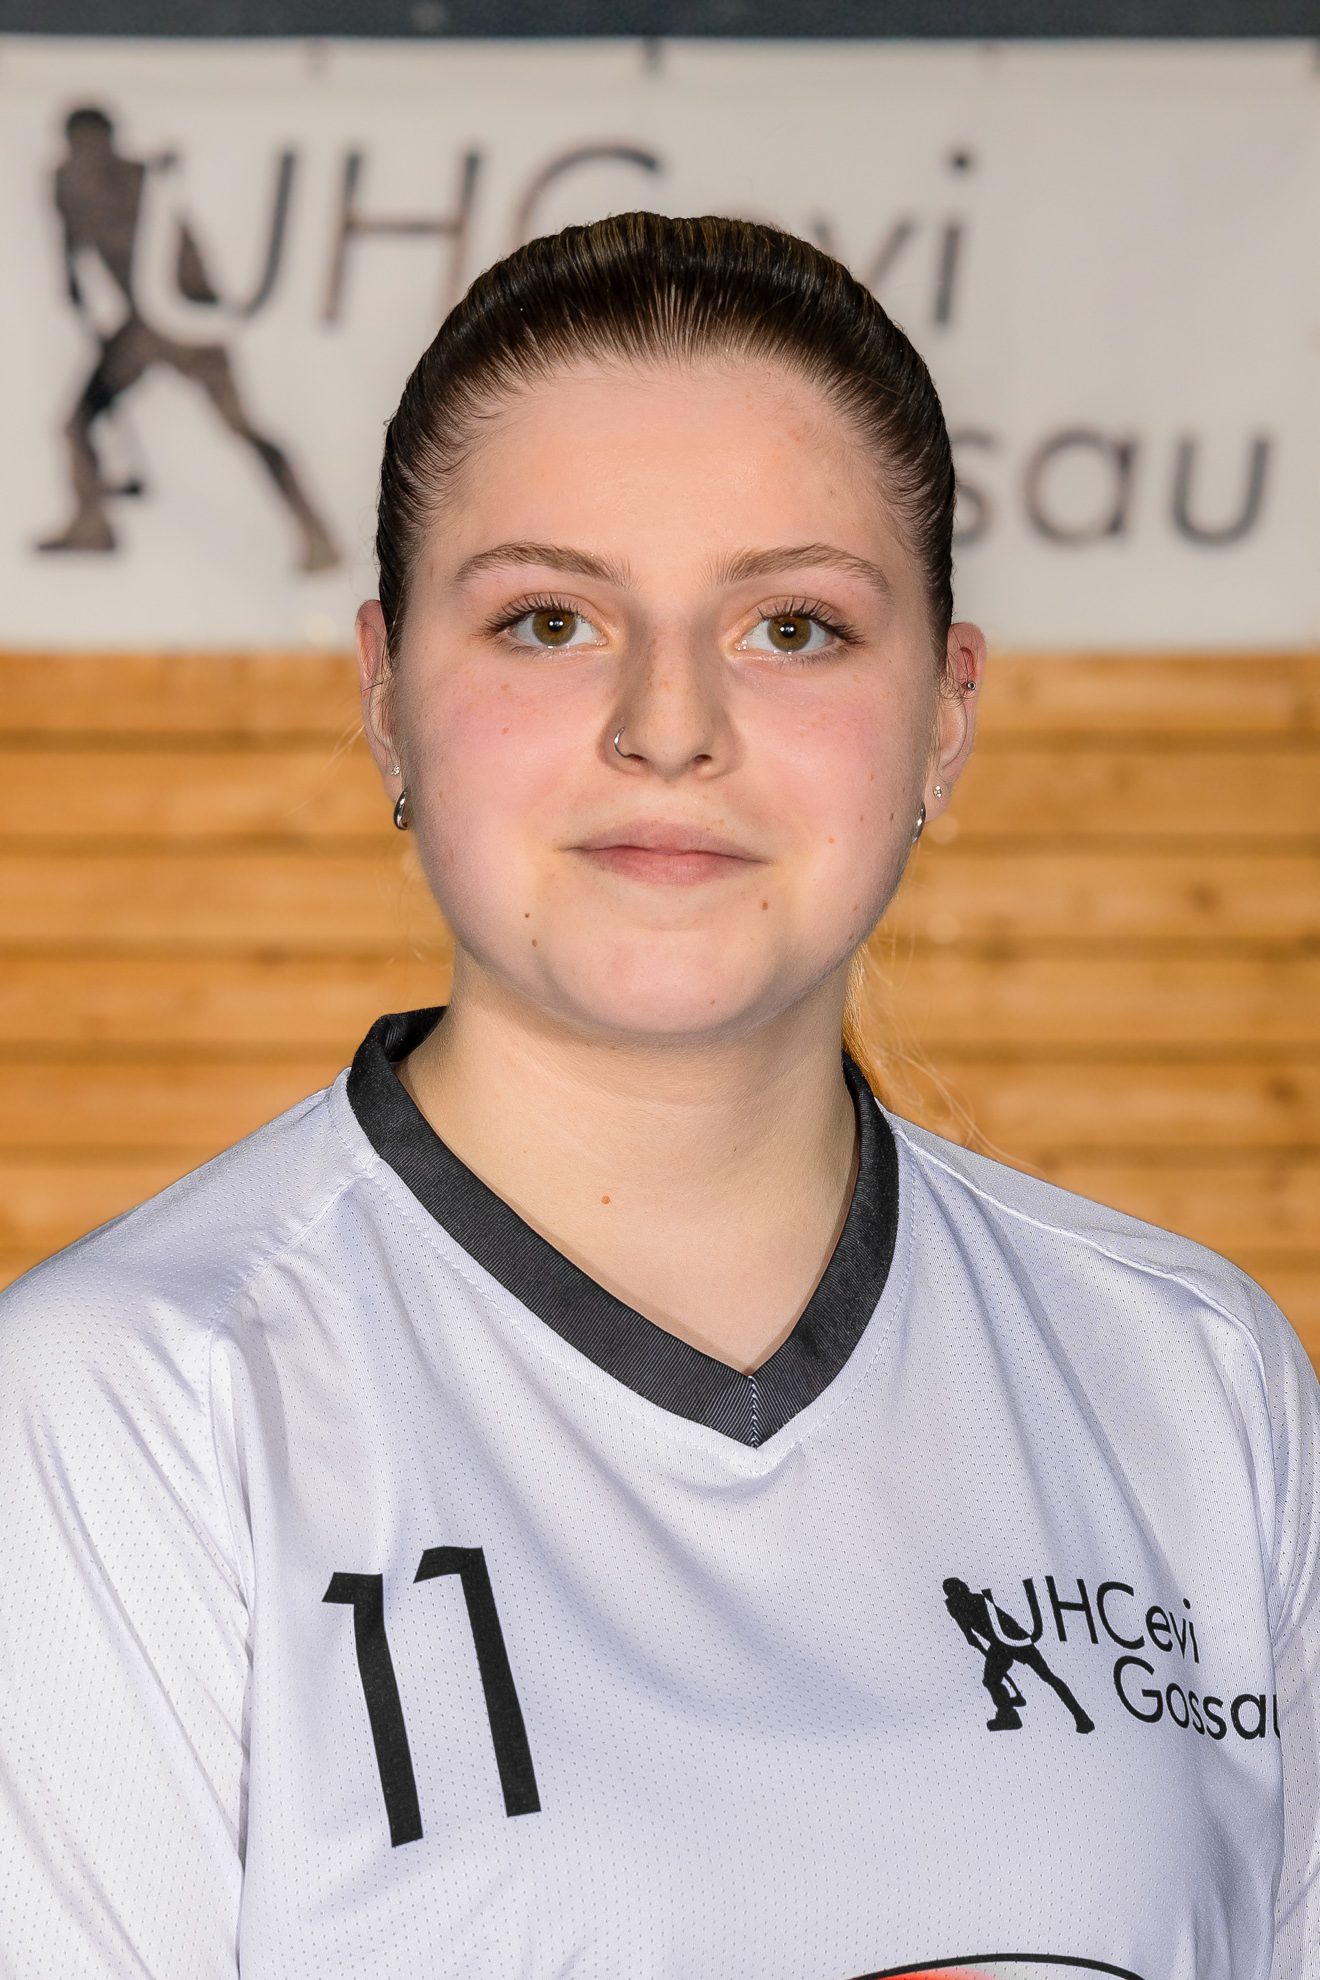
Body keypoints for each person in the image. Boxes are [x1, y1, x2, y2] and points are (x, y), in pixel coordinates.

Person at [1, 213, 1316, 1980]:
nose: (670, 722)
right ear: (386, 696)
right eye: (549, 620)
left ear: (945, 713)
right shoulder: (131, 1407)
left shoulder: (1198, 1379)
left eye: (794, 625)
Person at [38, 104, 338, 571]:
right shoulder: (66, 183)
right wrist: (76, 291)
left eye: (95, 143)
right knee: (77, 422)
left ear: (112, 142)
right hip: (143, 324)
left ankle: (315, 534)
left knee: (241, 426)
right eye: (79, 145)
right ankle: (91, 525)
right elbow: (72, 247)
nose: (88, 155)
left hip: (189, 318)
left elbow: (171, 248)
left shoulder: (140, 179)